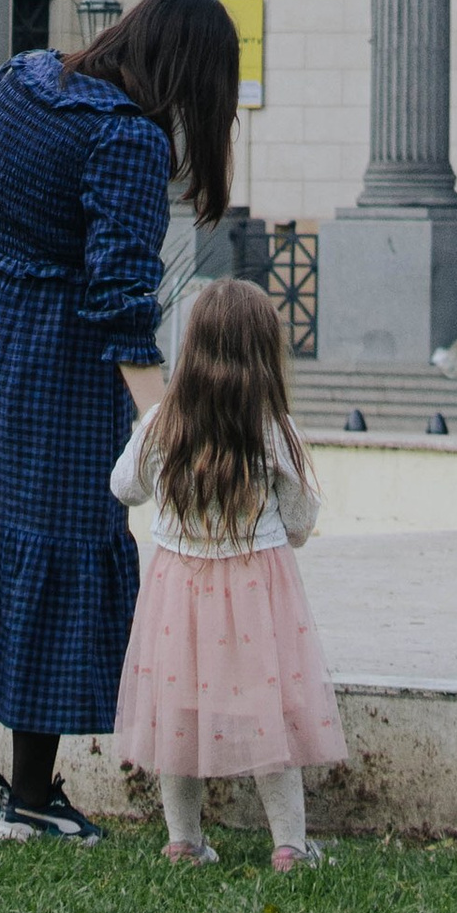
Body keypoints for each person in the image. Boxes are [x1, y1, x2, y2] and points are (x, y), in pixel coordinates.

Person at [0, 0, 242, 846]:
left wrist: (9, 271)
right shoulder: (126, 138)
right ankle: (28, 799)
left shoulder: (20, 76)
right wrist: (165, 425)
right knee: (58, 555)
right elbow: (122, 300)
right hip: (57, 369)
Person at [110, 277, 343, 873]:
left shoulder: (163, 422)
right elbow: (300, 519)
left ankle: (184, 839)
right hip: (255, 591)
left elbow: (123, 487)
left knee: (176, 710)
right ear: (265, 354)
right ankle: (289, 843)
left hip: (176, 594)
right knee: (269, 708)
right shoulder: (271, 429)